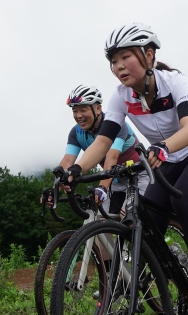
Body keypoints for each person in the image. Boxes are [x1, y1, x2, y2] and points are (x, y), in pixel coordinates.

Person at [66, 23, 188, 312]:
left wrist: (164, 147)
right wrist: (76, 171)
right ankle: (181, 282)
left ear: (149, 55)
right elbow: (103, 142)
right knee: (147, 221)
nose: (119, 67)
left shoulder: (175, 82)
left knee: (185, 197)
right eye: (113, 62)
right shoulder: (121, 97)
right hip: (167, 160)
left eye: (125, 58)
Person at [58, 84, 143, 216]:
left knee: (128, 217)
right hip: (114, 179)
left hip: (139, 176)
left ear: (98, 109)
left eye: (83, 110)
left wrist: (102, 187)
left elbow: (112, 157)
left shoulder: (116, 124)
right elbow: (68, 160)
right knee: (100, 223)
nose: (78, 115)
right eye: (75, 111)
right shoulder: (76, 132)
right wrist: (56, 187)